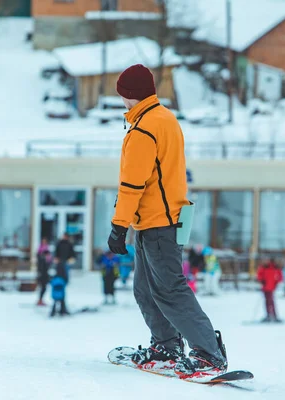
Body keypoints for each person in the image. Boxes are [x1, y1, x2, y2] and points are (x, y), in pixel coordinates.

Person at [106, 64, 227, 377]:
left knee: (170, 289)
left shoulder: (144, 129)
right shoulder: (165, 118)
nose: (121, 100)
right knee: (145, 290)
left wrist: (118, 226)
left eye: (122, 94)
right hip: (163, 219)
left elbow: (133, 184)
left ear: (130, 95)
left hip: (158, 222)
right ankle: (166, 346)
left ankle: (208, 353)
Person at [36, 238, 51, 306]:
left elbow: (49, 263)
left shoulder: (47, 253)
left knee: (44, 287)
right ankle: (40, 300)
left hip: (45, 273)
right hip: (42, 273)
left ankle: (41, 299)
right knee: (43, 287)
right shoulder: (40, 254)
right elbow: (40, 264)